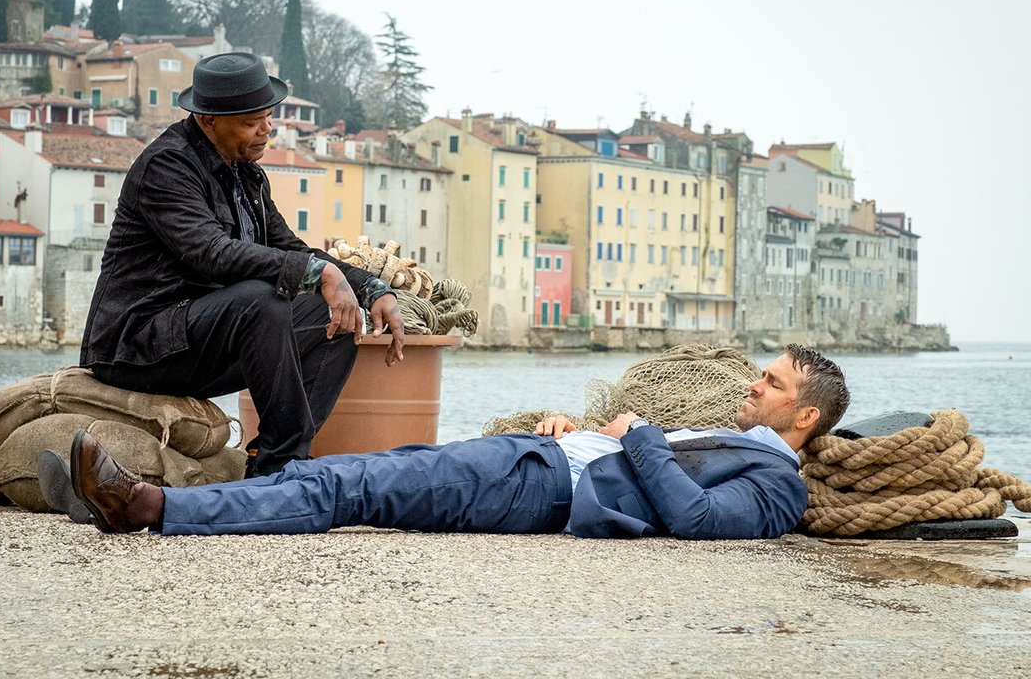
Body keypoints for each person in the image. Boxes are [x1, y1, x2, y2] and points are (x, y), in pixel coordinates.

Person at [68, 345, 850, 539]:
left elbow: (699, 523)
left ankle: (149, 506)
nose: (755, 384)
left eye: (775, 384)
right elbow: (642, 461)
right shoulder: (740, 438)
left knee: (348, 489)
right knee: (341, 472)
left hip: (540, 491)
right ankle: (164, 502)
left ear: (805, 418)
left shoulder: (778, 485)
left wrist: (638, 434)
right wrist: (576, 433)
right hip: (542, 460)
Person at [79, 53, 405, 477]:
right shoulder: (167, 165)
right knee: (260, 300)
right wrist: (321, 273)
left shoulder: (246, 175)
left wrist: (371, 289)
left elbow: (290, 247)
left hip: (202, 337)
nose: (267, 129)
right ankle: (282, 466)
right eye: (253, 121)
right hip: (138, 345)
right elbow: (212, 253)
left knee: (336, 316)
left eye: (269, 117)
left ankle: (276, 465)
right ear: (209, 120)